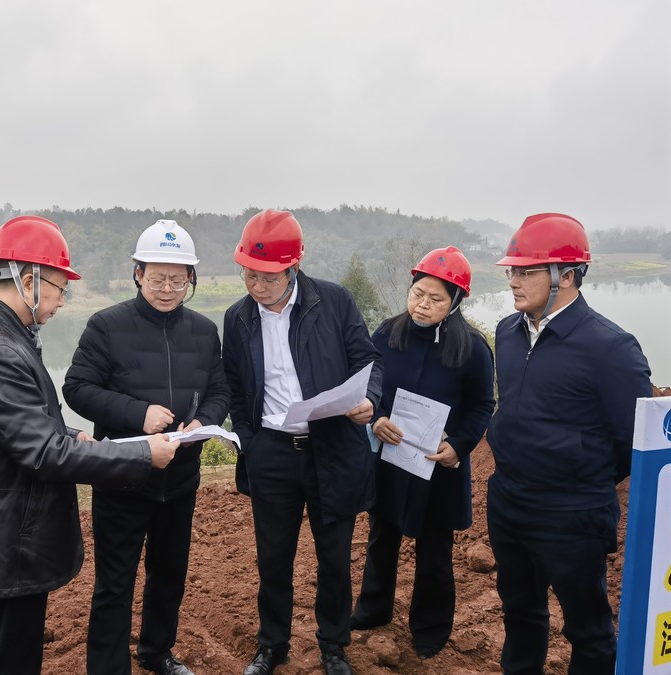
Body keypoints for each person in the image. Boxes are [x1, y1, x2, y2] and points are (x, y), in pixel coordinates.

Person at [0, 215, 179, 675]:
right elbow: (43, 454)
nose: (62, 301)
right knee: (10, 659)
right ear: (29, 282)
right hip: (3, 540)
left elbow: (17, 427)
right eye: (60, 289)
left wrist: (67, 432)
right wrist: (144, 453)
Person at [486, 213, 652, 674]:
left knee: (588, 628)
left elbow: (632, 440)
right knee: (520, 612)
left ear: (567, 275)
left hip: (572, 513)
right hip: (508, 501)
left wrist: (577, 476)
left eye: (526, 271)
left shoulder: (610, 348)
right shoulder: (508, 332)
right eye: (512, 271)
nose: (513, 281)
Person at [63, 219, 230, 675]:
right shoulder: (107, 325)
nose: (168, 289)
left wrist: (205, 421)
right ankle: (108, 667)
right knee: (114, 582)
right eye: (157, 279)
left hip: (180, 478)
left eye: (178, 280)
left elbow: (220, 390)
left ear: (192, 278)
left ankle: (157, 652)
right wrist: (138, 414)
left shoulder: (203, 331)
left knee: (169, 573)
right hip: (123, 476)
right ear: (137, 274)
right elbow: (77, 388)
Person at [222, 209, 383, 675]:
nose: (258, 286)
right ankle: (272, 645)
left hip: (331, 447)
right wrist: (250, 441)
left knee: (334, 557)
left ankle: (333, 645)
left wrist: (369, 400)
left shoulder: (333, 302)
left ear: (294, 267)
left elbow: (368, 360)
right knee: (274, 558)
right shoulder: (238, 318)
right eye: (250, 275)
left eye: (268, 277)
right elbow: (233, 385)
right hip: (272, 452)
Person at [350, 246, 495, 659]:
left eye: (436, 299)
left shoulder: (471, 348)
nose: (423, 305)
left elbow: (482, 405)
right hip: (392, 456)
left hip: (438, 463)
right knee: (382, 536)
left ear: (456, 302)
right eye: (418, 294)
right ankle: (373, 609)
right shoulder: (387, 333)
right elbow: (369, 383)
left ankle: (430, 628)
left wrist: (459, 446)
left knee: (435, 548)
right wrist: (377, 416)